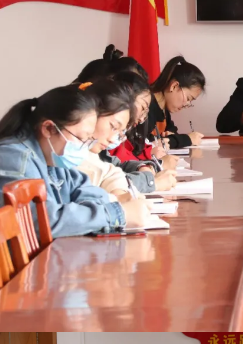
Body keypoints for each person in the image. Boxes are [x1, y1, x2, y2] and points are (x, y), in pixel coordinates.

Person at [0, 85, 149, 237]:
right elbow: (39, 221)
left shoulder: (53, 156)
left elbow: (86, 190)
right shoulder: (14, 159)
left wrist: (90, 215)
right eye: (80, 138)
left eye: (88, 140)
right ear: (49, 128)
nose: (83, 147)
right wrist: (117, 214)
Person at [148, 56, 205, 148]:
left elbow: (172, 133)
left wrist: (173, 138)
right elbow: (148, 144)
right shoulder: (146, 106)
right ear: (174, 86)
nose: (187, 105)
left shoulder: (164, 109)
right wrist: (187, 139)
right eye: (188, 98)